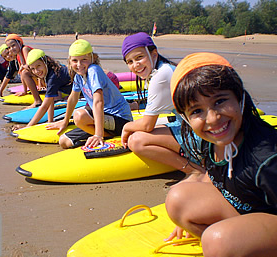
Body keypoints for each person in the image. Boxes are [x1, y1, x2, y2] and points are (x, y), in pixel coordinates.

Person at [165, 52, 277, 257]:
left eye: (220, 101)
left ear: (240, 97)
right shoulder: (211, 142)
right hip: (249, 212)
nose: (213, 119)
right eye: (197, 110)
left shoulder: (267, 159)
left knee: (218, 241)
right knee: (177, 199)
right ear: (186, 118)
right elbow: (213, 177)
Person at [121, 32, 203, 174]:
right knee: (154, 128)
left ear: (154, 54)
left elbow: (147, 125)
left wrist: (127, 127)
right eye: (130, 61)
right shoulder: (164, 69)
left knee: (136, 140)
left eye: (139, 57)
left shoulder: (161, 76)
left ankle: (195, 171)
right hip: (192, 126)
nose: (136, 65)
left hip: (201, 135)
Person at [46, 39, 133, 149]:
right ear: (69, 61)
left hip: (120, 120)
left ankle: (106, 135)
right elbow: (73, 98)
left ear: (93, 58)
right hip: (103, 120)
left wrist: (98, 134)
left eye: (84, 59)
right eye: (75, 61)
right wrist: (65, 121)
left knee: (79, 115)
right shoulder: (79, 76)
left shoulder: (93, 70)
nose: (79, 64)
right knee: (64, 141)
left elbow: (98, 101)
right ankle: (107, 135)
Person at [12, 49, 72, 129]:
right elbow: (50, 100)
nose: (36, 71)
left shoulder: (53, 76)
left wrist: (27, 127)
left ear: (45, 61)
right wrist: (50, 122)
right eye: (32, 69)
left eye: (38, 66)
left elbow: (44, 106)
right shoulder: (49, 72)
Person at [5, 34, 44, 108]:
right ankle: (36, 98)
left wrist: (40, 84)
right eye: (9, 47)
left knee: (25, 71)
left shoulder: (25, 49)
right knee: (23, 72)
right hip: (38, 74)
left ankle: (38, 101)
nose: (11, 49)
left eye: (13, 45)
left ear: (20, 43)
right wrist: (25, 91)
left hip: (43, 73)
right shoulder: (18, 55)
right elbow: (22, 74)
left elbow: (29, 66)